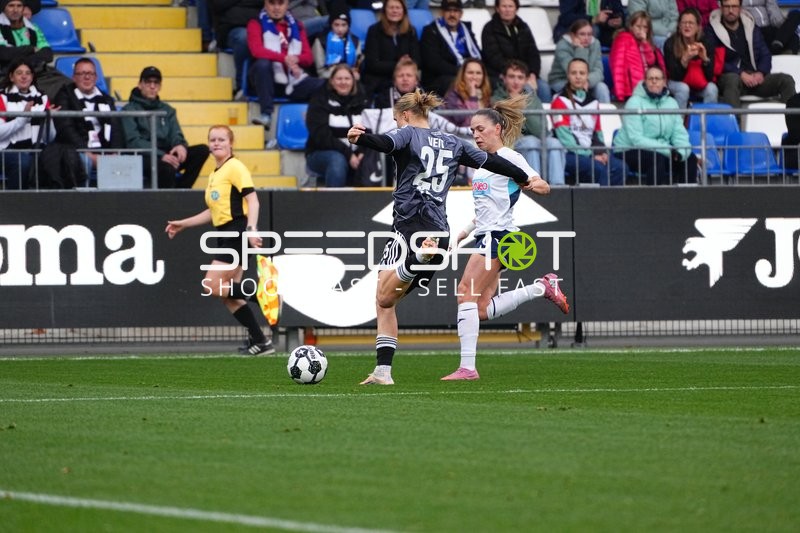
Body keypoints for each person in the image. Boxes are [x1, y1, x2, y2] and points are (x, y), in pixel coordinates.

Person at [345, 89, 541, 385]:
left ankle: (413, 263)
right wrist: (523, 176)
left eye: (398, 120)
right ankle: (383, 371)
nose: (398, 125)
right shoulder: (454, 143)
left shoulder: (407, 133)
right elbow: (492, 162)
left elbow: (386, 143)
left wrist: (362, 139)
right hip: (439, 232)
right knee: (385, 301)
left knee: (384, 297)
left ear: (406, 116)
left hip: (408, 226)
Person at [441, 95, 566, 381]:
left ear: (497, 129)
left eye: (480, 129)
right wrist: (463, 232)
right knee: (481, 309)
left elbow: (543, 185)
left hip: (499, 237)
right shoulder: (480, 163)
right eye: (472, 130)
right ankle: (541, 287)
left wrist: (534, 184)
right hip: (485, 234)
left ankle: (467, 368)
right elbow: (486, 207)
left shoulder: (511, 158)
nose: (475, 134)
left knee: (464, 293)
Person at [165, 125, 276, 356]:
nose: (216, 143)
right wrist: (183, 224)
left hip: (237, 233)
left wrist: (252, 230)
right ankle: (261, 342)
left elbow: (253, 201)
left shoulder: (235, 167)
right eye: (212, 139)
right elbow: (212, 211)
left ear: (230, 143)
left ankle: (262, 293)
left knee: (211, 285)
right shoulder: (216, 172)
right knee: (229, 297)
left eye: (221, 139)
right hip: (225, 233)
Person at [121, 66, 209, 189]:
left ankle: (181, 189)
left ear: (160, 86)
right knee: (166, 168)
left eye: (156, 83)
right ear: (140, 84)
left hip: (166, 153)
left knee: (202, 150)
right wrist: (160, 155)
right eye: (148, 82)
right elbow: (134, 141)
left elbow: (176, 133)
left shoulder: (167, 110)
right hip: (143, 156)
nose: (152, 86)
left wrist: (180, 145)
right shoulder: (129, 110)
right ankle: (170, 200)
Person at [613, 65, 698, 185]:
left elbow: (679, 133)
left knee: (690, 159)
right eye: (650, 78)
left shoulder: (671, 103)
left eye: (658, 78)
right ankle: (654, 201)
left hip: (662, 151)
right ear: (645, 81)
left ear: (664, 82)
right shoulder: (634, 102)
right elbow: (636, 139)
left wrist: (681, 152)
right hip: (629, 149)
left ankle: (687, 201)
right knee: (657, 159)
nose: (654, 81)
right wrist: (667, 150)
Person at [247, 0, 325, 129]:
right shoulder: (255, 23)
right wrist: (284, 58)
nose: (276, 8)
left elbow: (308, 58)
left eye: (280, 3)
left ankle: (318, 120)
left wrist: (295, 59)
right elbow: (257, 51)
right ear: (265, 4)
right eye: (272, 3)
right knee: (262, 64)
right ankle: (266, 114)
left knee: (324, 84)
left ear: (287, 5)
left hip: (292, 79)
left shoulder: (297, 25)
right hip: (266, 81)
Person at [551, 58, 627, 186]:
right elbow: (565, 139)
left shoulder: (594, 102)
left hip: (589, 153)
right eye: (574, 73)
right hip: (568, 154)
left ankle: (609, 201)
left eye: (582, 73)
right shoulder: (559, 100)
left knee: (621, 168)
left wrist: (601, 152)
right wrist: (591, 155)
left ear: (587, 75)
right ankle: (599, 204)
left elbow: (597, 134)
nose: (578, 77)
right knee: (598, 168)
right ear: (568, 75)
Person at [708, 0, 796, 108]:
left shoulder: (751, 26)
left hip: (754, 77)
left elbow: (765, 54)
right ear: (721, 8)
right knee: (732, 80)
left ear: (740, 8)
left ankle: (791, 121)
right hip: (730, 77)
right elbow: (715, 60)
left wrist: (761, 72)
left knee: (786, 80)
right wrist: (740, 73)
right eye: (727, 7)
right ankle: (735, 123)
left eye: (734, 6)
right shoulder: (712, 30)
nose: (730, 10)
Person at [53, 57, 125, 186]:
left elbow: (116, 128)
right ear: (74, 77)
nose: (87, 77)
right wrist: (88, 153)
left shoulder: (107, 99)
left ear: (96, 77)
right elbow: (66, 129)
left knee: (123, 162)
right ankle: (83, 202)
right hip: (78, 150)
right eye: (81, 74)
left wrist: (114, 152)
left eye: (90, 74)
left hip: (105, 150)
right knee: (83, 161)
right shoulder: (64, 96)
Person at [494, 59, 566, 185]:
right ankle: (533, 184)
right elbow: (508, 129)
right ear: (504, 78)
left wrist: (522, 105)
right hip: (510, 143)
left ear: (526, 80)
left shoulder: (533, 98)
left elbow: (541, 129)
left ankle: (558, 186)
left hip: (537, 138)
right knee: (531, 142)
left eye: (520, 77)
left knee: (554, 143)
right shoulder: (496, 98)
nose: (516, 81)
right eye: (511, 76)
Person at [305, 63, 370, 186]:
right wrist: (348, 154)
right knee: (337, 160)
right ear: (332, 81)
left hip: (356, 153)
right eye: (339, 79)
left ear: (353, 81)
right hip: (321, 153)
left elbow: (370, 130)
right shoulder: (319, 100)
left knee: (374, 158)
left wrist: (362, 151)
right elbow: (321, 136)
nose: (343, 82)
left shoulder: (363, 101)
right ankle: (333, 204)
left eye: (347, 79)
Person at [481, 0, 551, 103]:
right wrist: (516, 73)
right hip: (501, 74)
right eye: (504, 6)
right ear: (497, 8)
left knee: (543, 87)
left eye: (510, 6)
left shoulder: (523, 27)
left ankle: (544, 118)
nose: (507, 10)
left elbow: (533, 53)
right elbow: (494, 57)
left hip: (524, 74)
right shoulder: (489, 29)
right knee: (527, 88)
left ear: (516, 9)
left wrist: (532, 74)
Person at [0, 56, 54, 190]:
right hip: (6, 150)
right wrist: (22, 119)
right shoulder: (2, 97)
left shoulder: (42, 98)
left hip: (37, 149)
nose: (24, 77)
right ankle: (15, 204)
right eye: (19, 73)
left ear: (32, 77)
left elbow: (50, 138)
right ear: (11, 77)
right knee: (23, 162)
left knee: (53, 161)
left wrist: (49, 120)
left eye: (28, 73)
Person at [0, 0, 70, 99]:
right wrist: (31, 49)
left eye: (19, 6)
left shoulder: (34, 28)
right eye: (11, 6)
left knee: (69, 86)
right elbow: (3, 54)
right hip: (7, 75)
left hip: (36, 74)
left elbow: (47, 54)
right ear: (4, 8)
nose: (15, 10)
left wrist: (17, 55)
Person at [419, 0, 482, 98]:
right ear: (441, 13)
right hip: (439, 79)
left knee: (492, 80)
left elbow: (477, 54)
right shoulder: (430, 31)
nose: (452, 14)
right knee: (454, 82)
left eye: (456, 11)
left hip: (466, 73)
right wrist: (462, 72)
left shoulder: (467, 30)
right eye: (448, 10)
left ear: (461, 14)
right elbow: (433, 63)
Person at [361, 0, 421, 97]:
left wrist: (405, 66)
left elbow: (416, 60)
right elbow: (372, 64)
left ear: (404, 11)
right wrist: (399, 64)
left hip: (403, 77)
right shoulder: (374, 30)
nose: (394, 11)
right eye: (391, 8)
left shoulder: (411, 31)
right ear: (385, 10)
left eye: (398, 8)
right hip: (380, 79)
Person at [663, 8, 721, 109]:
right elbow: (674, 76)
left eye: (691, 23)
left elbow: (709, 77)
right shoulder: (670, 43)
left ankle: (706, 123)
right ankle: (678, 123)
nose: (687, 26)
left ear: (698, 27)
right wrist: (685, 60)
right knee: (683, 88)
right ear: (679, 26)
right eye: (684, 23)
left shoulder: (706, 42)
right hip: (676, 82)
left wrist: (705, 59)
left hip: (699, 82)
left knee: (712, 88)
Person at [549, 19, 611, 104]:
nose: (586, 38)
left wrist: (588, 81)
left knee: (602, 88)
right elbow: (574, 70)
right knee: (577, 90)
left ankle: (605, 115)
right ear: (573, 35)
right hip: (562, 80)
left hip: (586, 80)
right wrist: (580, 49)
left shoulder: (595, 44)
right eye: (582, 34)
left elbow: (598, 71)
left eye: (589, 34)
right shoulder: (562, 46)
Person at [609, 11, 667, 103]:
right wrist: (620, 93)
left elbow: (651, 61)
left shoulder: (648, 43)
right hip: (630, 89)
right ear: (631, 26)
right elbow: (618, 66)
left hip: (648, 85)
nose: (641, 30)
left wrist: (644, 42)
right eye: (638, 26)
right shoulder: (623, 39)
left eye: (645, 27)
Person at [211, 0, 262, 100]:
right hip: (232, 29)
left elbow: (265, 3)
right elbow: (217, 4)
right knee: (244, 37)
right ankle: (242, 85)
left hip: (260, 26)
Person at [312, 3, 362, 80]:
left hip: (350, 79)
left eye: (344, 25)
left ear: (348, 26)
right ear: (331, 25)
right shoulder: (321, 41)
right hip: (328, 79)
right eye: (336, 25)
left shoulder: (355, 41)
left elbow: (357, 66)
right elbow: (320, 72)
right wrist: (340, 77)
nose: (340, 29)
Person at [553, 0, 626, 49]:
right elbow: (566, 18)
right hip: (571, 29)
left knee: (624, 35)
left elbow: (619, 11)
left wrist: (617, 21)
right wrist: (592, 19)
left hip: (604, 30)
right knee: (592, 30)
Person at [442, 58, 491, 129]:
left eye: (478, 73)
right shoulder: (453, 95)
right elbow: (462, 121)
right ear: (462, 75)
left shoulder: (485, 95)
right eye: (470, 73)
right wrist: (473, 97)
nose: (474, 77)